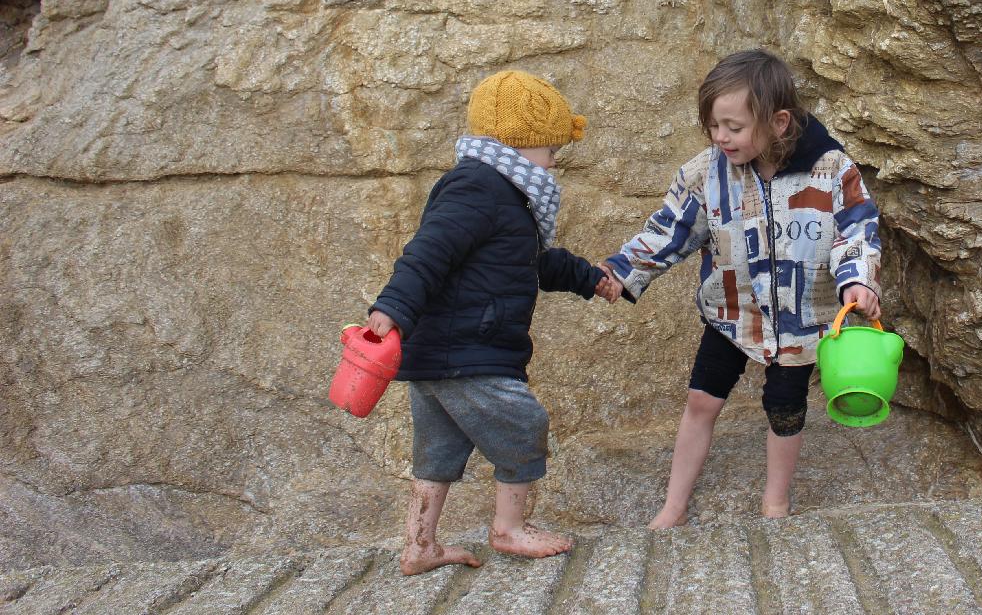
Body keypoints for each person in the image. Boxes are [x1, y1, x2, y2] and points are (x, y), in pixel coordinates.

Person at [600, 48, 882, 528]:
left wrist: (856, 279)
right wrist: (621, 271)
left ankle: (775, 503)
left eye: (733, 126)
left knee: (785, 410)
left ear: (778, 122)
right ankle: (674, 506)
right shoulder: (704, 174)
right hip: (732, 313)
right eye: (713, 125)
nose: (720, 137)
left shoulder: (831, 169)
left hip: (801, 322)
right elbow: (669, 230)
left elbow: (855, 227)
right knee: (701, 401)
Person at [365, 70, 620, 575]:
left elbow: (533, 261)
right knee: (525, 425)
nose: (553, 163)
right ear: (517, 145)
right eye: (549, 150)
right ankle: (508, 530)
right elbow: (428, 253)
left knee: (438, 452)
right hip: (471, 352)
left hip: (441, 353)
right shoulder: (477, 187)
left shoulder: (502, 197)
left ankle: (420, 545)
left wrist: (590, 278)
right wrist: (392, 308)